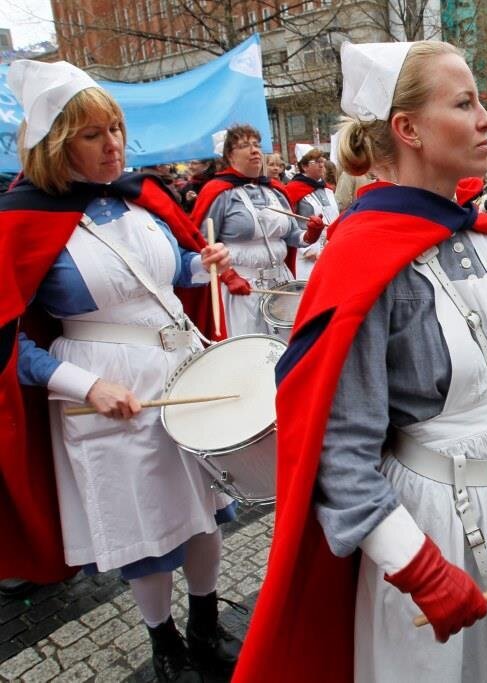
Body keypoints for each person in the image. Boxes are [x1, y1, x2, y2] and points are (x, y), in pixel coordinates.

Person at [232, 40, 487, 683]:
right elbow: (337, 449)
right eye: (465, 103)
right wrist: (414, 564)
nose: (486, 120)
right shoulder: (362, 256)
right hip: (424, 520)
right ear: (408, 128)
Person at [1, 60, 241, 682]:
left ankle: (206, 625)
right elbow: (7, 344)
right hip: (104, 387)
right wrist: (85, 387)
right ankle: (165, 647)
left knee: (205, 512)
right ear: (57, 145)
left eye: (115, 128)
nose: (113, 144)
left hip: (181, 372)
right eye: (92, 134)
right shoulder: (20, 221)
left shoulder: (141, 196)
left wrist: (201, 263)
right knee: (147, 533)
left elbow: (164, 280)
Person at [191, 125, 325, 337]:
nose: (254, 150)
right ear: (229, 155)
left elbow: (292, 236)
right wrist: (228, 276)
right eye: (245, 145)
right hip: (244, 287)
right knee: (251, 351)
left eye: (256, 145)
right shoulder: (218, 192)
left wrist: (310, 234)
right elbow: (202, 244)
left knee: (287, 347)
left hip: (282, 284)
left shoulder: (275, 190)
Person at [285, 145, 340, 280]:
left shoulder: (327, 189)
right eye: (317, 162)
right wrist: (309, 251)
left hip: (330, 251)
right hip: (307, 255)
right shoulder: (292, 190)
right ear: (304, 166)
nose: (322, 165)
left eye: (322, 161)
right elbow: (290, 224)